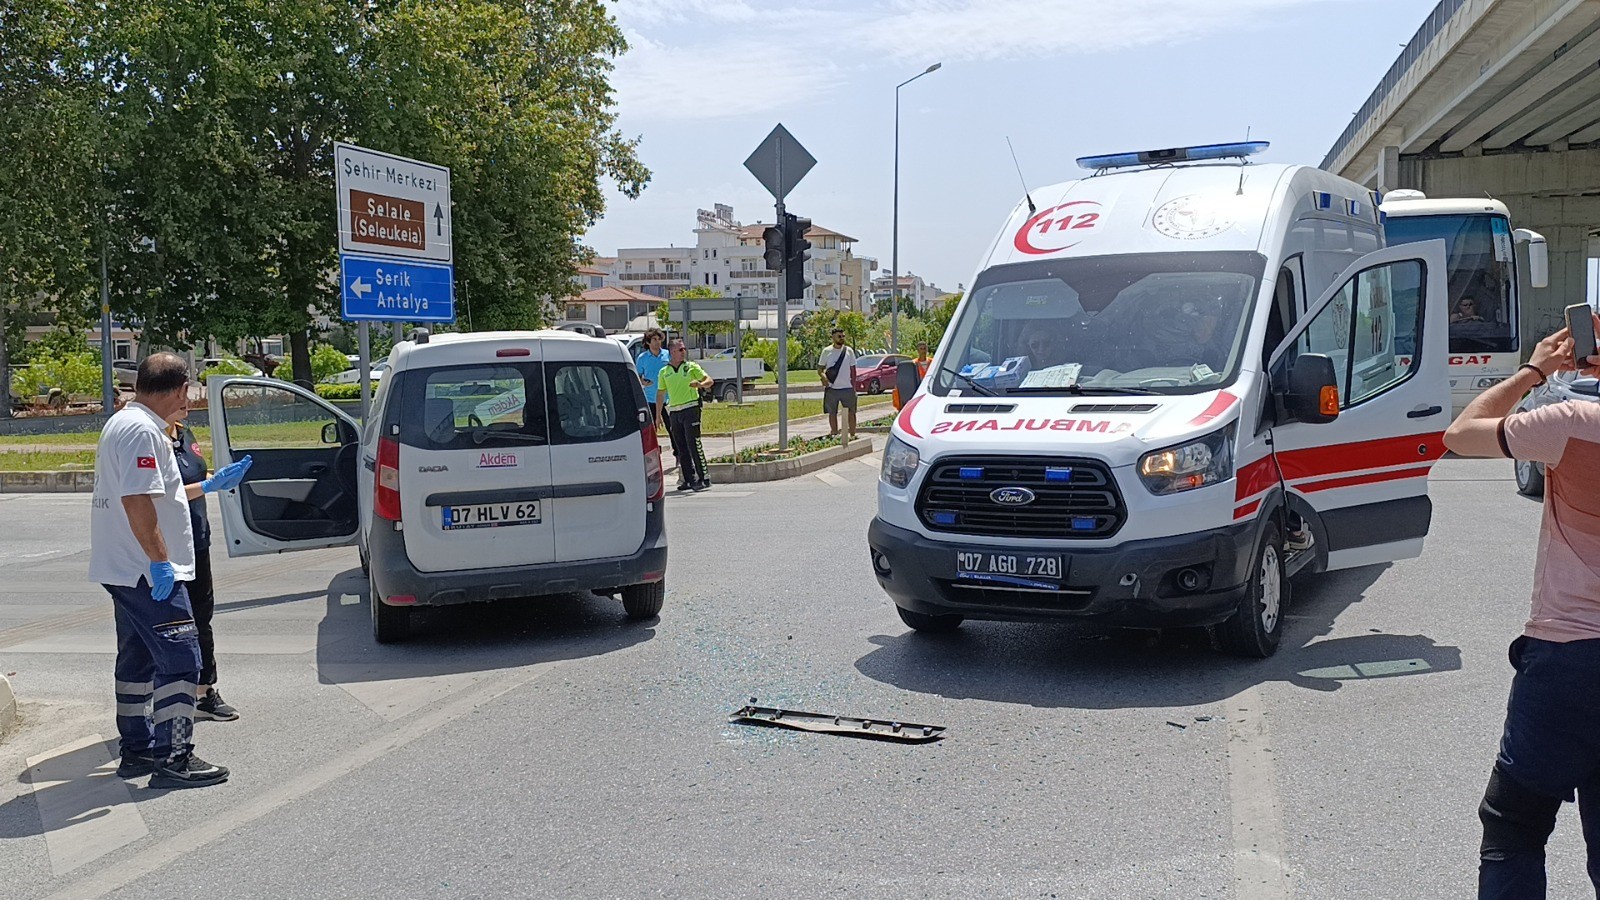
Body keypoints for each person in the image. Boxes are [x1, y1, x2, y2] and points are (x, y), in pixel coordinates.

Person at [1442, 319, 1600, 897]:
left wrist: (1536, 370)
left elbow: (1461, 433)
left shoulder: (1571, 423)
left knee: (1513, 830)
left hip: (1567, 658)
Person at [90, 352, 251, 789]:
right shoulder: (144, 431)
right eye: (189, 393)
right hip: (146, 569)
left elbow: (162, 492)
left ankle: (137, 750)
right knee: (182, 657)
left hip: (127, 567)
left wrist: (211, 485)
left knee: (139, 656)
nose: (189, 402)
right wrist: (161, 562)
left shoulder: (125, 422)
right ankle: (174, 757)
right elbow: (138, 502)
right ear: (181, 389)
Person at [166, 413, 238, 721]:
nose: (187, 400)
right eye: (182, 392)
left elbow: (194, 474)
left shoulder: (185, 434)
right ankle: (168, 697)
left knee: (201, 617)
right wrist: (209, 485)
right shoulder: (151, 439)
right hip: (166, 547)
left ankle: (204, 690)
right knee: (171, 624)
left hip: (197, 540)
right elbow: (158, 497)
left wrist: (214, 479)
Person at [658, 340, 713, 491]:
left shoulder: (691, 367)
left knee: (693, 442)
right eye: (680, 349)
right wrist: (657, 415)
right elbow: (660, 394)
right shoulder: (664, 372)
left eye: (684, 349)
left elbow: (709, 380)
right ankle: (689, 479)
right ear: (672, 352)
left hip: (691, 408)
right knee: (681, 446)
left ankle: (704, 477)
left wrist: (700, 385)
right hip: (674, 411)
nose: (683, 352)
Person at [816, 328, 857, 439]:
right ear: (833, 337)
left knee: (851, 412)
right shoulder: (826, 351)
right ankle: (834, 432)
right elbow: (820, 369)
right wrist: (823, 376)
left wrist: (854, 386)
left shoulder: (849, 351)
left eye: (843, 336)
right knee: (832, 412)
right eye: (839, 336)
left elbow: (853, 370)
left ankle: (852, 434)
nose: (842, 338)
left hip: (847, 388)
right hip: (832, 388)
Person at [635, 328, 670, 424]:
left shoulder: (668, 355)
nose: (657, 342)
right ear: (648, 342)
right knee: (652, 429)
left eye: (659, 339)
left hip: (668, 399)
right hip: (651, 399)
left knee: (673, 429)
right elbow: (637, 376)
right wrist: (642, 382)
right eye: (654, 339)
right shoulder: (642, 358)